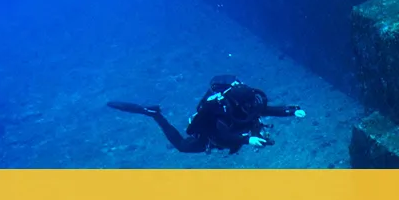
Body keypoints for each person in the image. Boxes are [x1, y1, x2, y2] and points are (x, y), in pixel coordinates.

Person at [107, 75, 305, 154]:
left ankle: (153, 114)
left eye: (251, 104)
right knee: (182, 146)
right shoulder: (221, 113)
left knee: (250, 129)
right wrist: (247, 140)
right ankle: (154, 114)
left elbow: (268, 110)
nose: (251, 108)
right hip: (212, 136)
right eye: (247, 106)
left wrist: (292, 111)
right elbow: (224, 136)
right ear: (238, 104)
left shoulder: (247, 105)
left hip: (238, 132)